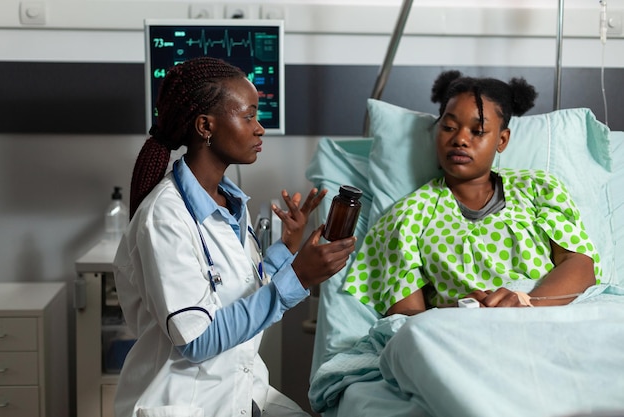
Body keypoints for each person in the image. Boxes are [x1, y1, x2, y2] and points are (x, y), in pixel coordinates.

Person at [112, 56, 356, 417]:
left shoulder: (227, 202)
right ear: (205, 126)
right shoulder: (164, 216)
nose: (260, 129)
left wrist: (288, 247)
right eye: (248, 116)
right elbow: (197, 340)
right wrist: (299, 276)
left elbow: (242, 292)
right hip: (187, 400)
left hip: (239, 391)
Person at [343, 70, 600, 316]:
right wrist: (459, 312)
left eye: (477, 131)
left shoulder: (538, 190)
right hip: (459, 335)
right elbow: (405, 319)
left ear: (502, 140)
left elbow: (579, 264)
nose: (460, 139)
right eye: (449, 127)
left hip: (544, 320)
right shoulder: (408, 217)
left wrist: (528, 305)